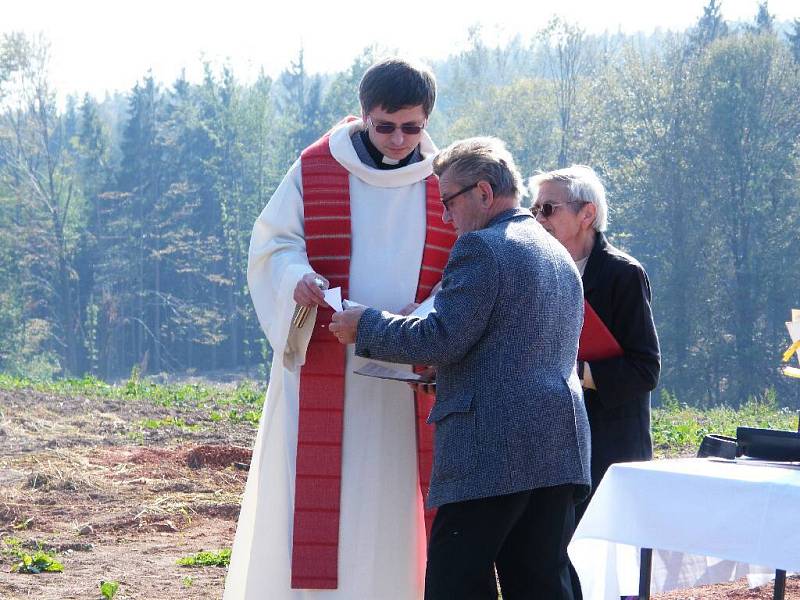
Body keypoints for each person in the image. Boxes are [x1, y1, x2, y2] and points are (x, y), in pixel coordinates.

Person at [224, 58, 457, 600]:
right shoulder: (316, 168)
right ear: (363, 115)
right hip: (331, 365)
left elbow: (464, 265)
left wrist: (419, 328)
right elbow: (273, 246)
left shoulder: (446, 176)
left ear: (428, 120)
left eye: (413, 127)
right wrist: (297, 281)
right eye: (385, 125)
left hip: (406, 374)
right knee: (328, 505)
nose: (399, 139)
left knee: (399, 504)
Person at [330, 137, 591, 600]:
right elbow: (517, 348)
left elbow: (440, 337)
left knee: (456, 583)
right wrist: (454, 375)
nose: (446, 217)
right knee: (539, 582)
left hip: (492, 451)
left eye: (448, 202)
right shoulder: (558, 255)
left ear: (484, 193)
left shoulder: (482, 250)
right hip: (556, 447)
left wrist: (365, 324)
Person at [531, 166, 660, 598]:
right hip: (552, 444)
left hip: (609, 445)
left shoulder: (623, 274)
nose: (539, 218)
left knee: (610, 571)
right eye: (535, 208)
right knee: (555, 562)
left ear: (587, 214)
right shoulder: (538, 271)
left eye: (548, 207)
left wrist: (576, 372)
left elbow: (646, 369)